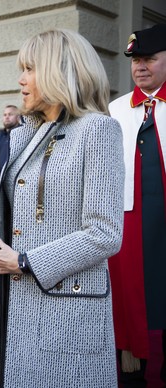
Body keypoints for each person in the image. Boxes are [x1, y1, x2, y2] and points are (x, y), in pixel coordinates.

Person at [0, 29, 125, 387]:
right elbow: (11, 218)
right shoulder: (26, 134)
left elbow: (105, 233)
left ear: (59, 71)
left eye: (30, 69)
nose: (21, 80)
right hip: (17, 306)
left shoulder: (98, 130)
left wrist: (25, 262)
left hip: (69, 314)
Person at [108, 23, 166, 386]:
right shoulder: (114, 110)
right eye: (135, 61)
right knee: (132, 300)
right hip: (129, 224)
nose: (141, 67)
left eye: (149, 59)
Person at [0, 104, 20, 169]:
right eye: (5, 115)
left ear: (18, 117)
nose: (7, 117)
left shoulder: (22, 135)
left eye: (10, 114)